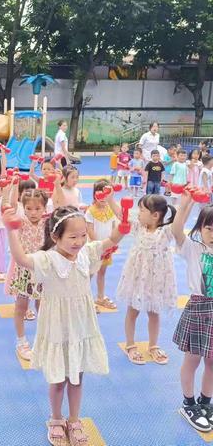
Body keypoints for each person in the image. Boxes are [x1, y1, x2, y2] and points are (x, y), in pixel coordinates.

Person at [4, 205, 124, 445]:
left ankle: (74, 418)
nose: (79, 241)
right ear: (55, 236)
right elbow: (21, 259)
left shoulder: (86, 254)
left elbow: (111, 239)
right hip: (58, 328)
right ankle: (56, 418)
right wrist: (12, 230)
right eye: (72, 236)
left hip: (80, 327)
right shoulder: (47, 259)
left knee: (77, 377)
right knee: (58, 379)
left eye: (82, 236)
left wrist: (124, 226)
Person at [116, 195, 177, 365]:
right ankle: (130, 344)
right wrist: (109, 199)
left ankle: (153, 345)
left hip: (156, 281)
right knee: (132, 310)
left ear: (155, 215)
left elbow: (179, 223)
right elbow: (122, 216)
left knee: (154, 312)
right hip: (137, 278)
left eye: (142, 210)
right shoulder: (139, 228)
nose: (138, 213)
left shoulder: (165, 232)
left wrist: (187, 202)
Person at [171, 194, 213, 432]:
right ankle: (189, 403)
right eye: (209, 228)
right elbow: (177, 229)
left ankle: (206, 403)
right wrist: (187, 201)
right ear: (200, 228)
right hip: (198, 309)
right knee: (192, 359)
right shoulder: (193, 249)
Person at [5, 189, 48, 361]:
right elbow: (11, 206)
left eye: (37, 208)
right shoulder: (20, 222)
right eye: (29, 208)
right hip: (24, 272)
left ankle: (43, 338)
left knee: (42, 306)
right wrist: (13, 186)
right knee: (21, 307)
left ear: (44, 208)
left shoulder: (48, 222)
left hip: (42, 270)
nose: (33, 212)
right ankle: (21, 341)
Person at [85, 180, 121, 311]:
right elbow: (89, 230)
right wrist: (99, 246)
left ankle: (100, 297)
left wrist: (113, 244)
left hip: (107, 249)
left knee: (102, 272)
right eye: (100, 194)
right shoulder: (90, 211)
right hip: (94, 249)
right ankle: (86, 299)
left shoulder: (111, 210)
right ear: (95, 195)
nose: (103, 198)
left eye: (107, 195)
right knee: (89, 273)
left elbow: (113, 227)